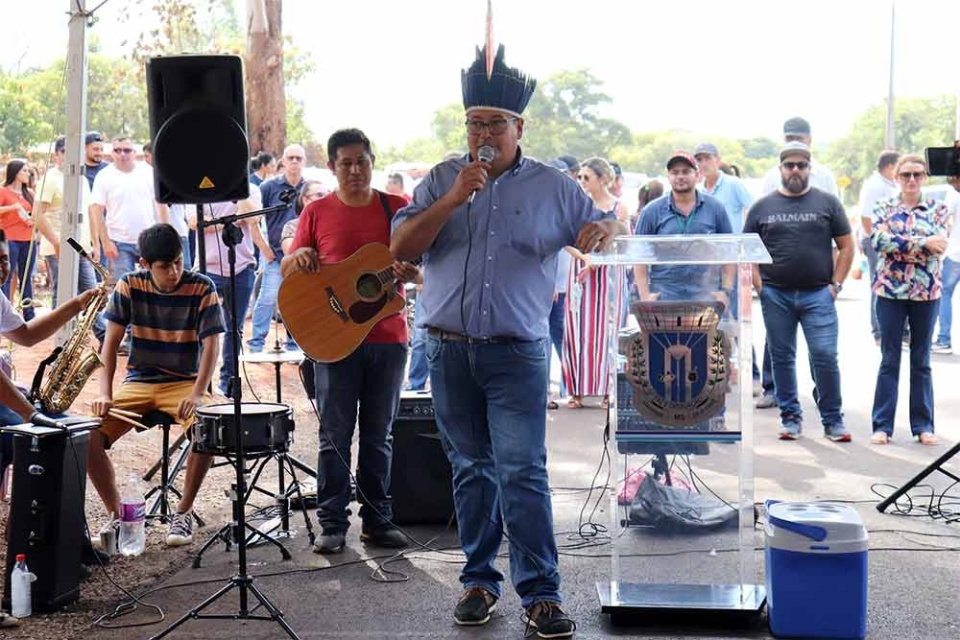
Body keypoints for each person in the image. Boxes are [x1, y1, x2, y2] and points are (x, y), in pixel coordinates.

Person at [391, 41, 624, 639]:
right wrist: (453, 196)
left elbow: (602, 226)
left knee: (521, 471)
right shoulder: (444, 177)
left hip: (516, 352)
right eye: (474, 123)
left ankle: (541, 594)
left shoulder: (552, 186)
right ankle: (477, 581)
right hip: (446, 349)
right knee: (470, 469)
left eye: (495, 122)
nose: (483, 132)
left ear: (520, 126)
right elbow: (402, 248)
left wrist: (607, 226)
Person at [283, 128, 416, 555]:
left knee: (380, 435)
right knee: (334, 435)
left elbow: (426, 263)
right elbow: (289, 267)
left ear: (373, 162)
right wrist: (296, 258)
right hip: (332, 339)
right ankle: (333, 523)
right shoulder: (317, 211)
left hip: (388, 336)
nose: (355, 170)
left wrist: (416, 274)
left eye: (362, 161)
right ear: (333, 166)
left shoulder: (397, 209)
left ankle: (378, 520)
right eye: (346, 163)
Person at [88, 223, 225, 546]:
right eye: (165, 266)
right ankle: (118, 517)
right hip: (140, 380)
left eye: (178, 262)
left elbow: (212, 345)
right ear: (144, 265)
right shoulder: (129, 285)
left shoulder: (202, 287)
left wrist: (197, 390)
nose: (175, 271)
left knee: (207, 427)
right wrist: (104, 392)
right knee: (89, 436)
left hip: (186, 382)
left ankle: (184, 511)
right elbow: (110, 343)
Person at [743, 142, 854, 442]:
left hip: (818, 293)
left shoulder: (827, 203)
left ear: (809, 169)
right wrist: (759, 285)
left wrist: (837, 284)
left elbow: (846, 246)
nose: (795, 170)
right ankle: (790, 418)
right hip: (775, 294)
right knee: (781, 357)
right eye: (789, 165)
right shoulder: (762, 207)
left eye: (801, 165)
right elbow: (747, 250)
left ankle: (833, 420)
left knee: (825, 355)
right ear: (780, 169)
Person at [869, 154, 949, 446]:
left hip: (926, 292)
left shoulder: (939, 209)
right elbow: (878, 242)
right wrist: (920, 243)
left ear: (925, 176)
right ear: (897, 177)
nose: (912, 180)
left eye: (917, 174)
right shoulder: (883, 207)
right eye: (906, 175)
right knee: (889, 359)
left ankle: (923, 425)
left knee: (921, 359)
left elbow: (939, 245)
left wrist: (902, 246)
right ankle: (882, 426)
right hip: (890, 292)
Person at [189, 184, 271, 398]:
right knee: (203, 328)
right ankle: (199, 383)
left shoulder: (249, 189)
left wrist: (238, 190)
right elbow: (195, 223)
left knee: (235, 329)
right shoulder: (199, 191)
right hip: (208, 268)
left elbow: (252, 218)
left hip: (242, 268)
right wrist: (231, 219)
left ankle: (227, 384)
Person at [563, 157, 626, 409]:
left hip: (609, 272)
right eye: (580, 177)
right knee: (577, 329)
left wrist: (600, 260)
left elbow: (624, 238)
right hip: (581, 268)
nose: (581, 182)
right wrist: (586, 258)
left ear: (602, 179)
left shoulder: (618, 207)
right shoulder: (576, 205)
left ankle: (609, 390)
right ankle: (576, 390)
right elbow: (566, 239)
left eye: (586, 178)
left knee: (608, 329)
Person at [633, 151, 735, 302]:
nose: (680, 176)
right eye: (675, 172)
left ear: (697, 175)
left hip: (705, 294)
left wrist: (725, 292)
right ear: (668, 176)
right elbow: (639, 255)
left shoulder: (715, 208)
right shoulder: (651, 211)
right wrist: (645, 295)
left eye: (686, 172)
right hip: (665, 295)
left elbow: (729, 251)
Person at [247, 144, 305, 353]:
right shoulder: (268, 188)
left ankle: (294, 344)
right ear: (283, 161)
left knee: (298, 303)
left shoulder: (309, 188)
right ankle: (256, 344)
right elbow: (252, 221)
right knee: (267, 299)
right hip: (276, 257)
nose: (295, 162)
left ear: (304, 161)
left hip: (302, 258)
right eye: (291, 158)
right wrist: (264, 248)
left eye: (299, 158)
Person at [858, 151, 901, 346]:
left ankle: (892, 329)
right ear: (890, 166)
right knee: (878, 285)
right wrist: (876, 241)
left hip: (890, 242)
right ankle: (878, 331)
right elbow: (866, 218)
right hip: (876, 242)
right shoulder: (875, 186)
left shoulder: (890, 184)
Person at [0, 160, 37, 320]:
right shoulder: (3, 191)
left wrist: (32, 220)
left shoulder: (30, 193)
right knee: (7, 277)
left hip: (28, 239)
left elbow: (36, 214)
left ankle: (29, 314)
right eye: (24, 171)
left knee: (26, 277)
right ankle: (6, 314)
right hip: (9, 238)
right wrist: (13, 207)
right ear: (15, 172)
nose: (28, 174)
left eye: (28, 171)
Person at [931, 156, 960, 354]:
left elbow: (941, 217)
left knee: (944, 294)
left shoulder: (955, 194)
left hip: (957, 253)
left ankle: (943, 339)